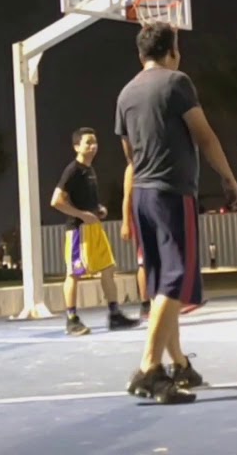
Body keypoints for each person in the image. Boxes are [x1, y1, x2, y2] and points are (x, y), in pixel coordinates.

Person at [116, 21, 237, 404]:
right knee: (176, 277)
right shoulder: (177, 83)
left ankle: (179, 364)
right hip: (172, 194)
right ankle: (149, 368)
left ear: (140, 55)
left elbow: (129, 155)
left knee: (158, 282)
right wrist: (230, 178)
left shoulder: (125, 94)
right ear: (172, 51)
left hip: (142, 196)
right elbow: (204, 135)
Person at [50, 127, 140, 336]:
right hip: (78, 232)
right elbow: (56, 201)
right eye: (88, 142)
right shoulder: (72, 170)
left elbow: (85, 199)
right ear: (76, 146)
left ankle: (115, 314)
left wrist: (97, 209)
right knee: (74, 274)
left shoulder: (90, 170)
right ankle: (71, 319)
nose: (93, 146)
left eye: (95, 142)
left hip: (94, 228)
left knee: (108, 269)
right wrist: (81, 215)